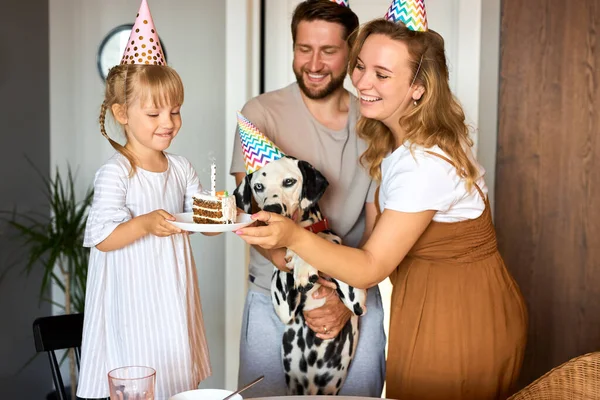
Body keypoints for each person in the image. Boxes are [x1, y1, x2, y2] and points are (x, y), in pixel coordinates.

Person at [235, 2, 529, 399]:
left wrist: (297, 239)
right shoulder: (393, 144)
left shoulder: (421, 162)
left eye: (382, 74)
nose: (363, 83)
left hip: (458, 312)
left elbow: (371, 263)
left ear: (419, 86)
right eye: (363, 67)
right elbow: (373, 238)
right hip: (424, 301)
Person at [229, 0, 386, 397]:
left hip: (354, 298)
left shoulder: (374, 125)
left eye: (329, 51)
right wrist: (314, 292)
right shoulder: (260, 115)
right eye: (304, 49)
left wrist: (341, 297)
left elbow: (378, 230)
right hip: (275, 298)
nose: (313, 64)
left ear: (352, 53)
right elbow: (251, 219)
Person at [77, 2, 213, 399]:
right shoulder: (116, 172)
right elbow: (102, 236)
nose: (168, 123)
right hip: (132, 303)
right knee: (142, 380)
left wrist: (224, 216)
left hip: (173, 296)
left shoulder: (181, 167)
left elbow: (202, 217)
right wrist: (144, 224)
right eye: (154, 114)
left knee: (176, 371)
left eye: (174, 112)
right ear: (122, 113)